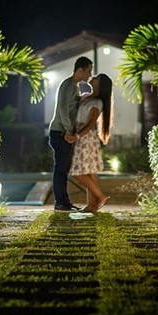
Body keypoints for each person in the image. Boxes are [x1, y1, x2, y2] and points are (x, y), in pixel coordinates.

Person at [48, 55, 93, 211]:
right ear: (80, 70)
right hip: (60, 132)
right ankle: (60, 202)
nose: (90, 75)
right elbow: (62, 108)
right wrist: (68, 130)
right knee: (60, 168)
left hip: (63, 131)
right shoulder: (68, 84)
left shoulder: (74, 86)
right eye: (88, 71)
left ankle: (64, 201)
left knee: (63, 168)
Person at [69, 73, 113, 212]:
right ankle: (91, 205)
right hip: (84, 136)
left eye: (96, 78)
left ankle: (100, 196)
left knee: (76, 171)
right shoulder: (88, 97)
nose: (93, 78)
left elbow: (90, 124)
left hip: (85, 138)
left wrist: (76, 136)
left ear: (101, 84)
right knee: (89, 172)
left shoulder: (96, 102)